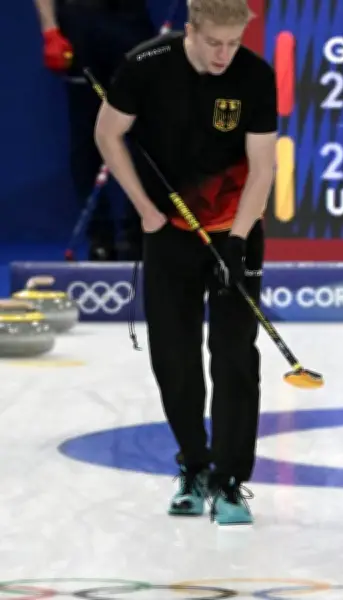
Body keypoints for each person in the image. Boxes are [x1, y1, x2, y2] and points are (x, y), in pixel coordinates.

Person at [93, 0, 278, 525]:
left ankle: (230, 481)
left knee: (234, 356)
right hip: (169, 232)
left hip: (234, 231)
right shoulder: (146, 64)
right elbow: (107, 133)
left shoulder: (255, 76)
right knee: (174, 357)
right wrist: (146, 211)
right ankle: (194, 467)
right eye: (214, 42)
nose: (224, 55)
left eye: (234, 44)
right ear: (191, 30)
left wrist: (237, 241)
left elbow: (263, 167)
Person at [33, 0, 157, 260]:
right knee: (87, 135)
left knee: (146, 132)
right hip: (79, 22)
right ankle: (99, 236)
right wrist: (50, 30)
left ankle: (139, 232)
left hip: (130, 21)